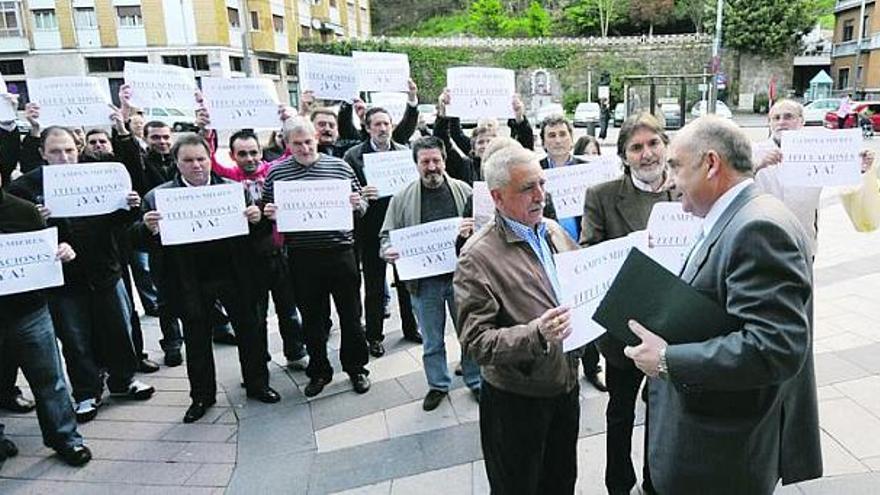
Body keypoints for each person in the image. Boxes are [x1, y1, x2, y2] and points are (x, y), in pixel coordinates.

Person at [624, 116, 822, 494]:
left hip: (720, 457)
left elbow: (775, 347)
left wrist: (668, 359)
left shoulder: (757, 227)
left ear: (712, 164)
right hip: (707, 442)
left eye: (676, 167)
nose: (670, 181)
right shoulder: (741, 214)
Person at [8, 115, 156, 424]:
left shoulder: (97, 174)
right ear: (43, 154)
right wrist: (36, 219)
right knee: (75, 339)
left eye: (69, 151)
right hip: (63, 280)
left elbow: (120, 224)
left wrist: (127, 206)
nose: (64, 158)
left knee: (118, 328)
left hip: (105, 269)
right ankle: (87, 392)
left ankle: (123, 380)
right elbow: (18, 237)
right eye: (56, 152)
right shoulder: (26, 187)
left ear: (78, 149)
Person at [455, 145, 581, 494]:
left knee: (560, 483)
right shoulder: (476, 257)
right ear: (497, 197)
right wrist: (536, 334)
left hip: (565, 386)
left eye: (541, 183)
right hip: (517, 400)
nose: (541, 195)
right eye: (528, 188)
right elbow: (475, 343)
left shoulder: (553, 231)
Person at [137, 133, 280, 423]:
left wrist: (258, 221)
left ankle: (258, 384)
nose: (197, 166)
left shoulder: (233, 190)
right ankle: (201, 396)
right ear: (177, 163)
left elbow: (257, 236)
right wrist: (146, 228)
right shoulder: (158, 197)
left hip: (234, 274)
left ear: (210, 159)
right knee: (197, 339)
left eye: (201, 159)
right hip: (190, 280)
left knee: (249, 331)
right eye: (188, 160)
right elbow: (139, 244)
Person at [580, 112, 675, 495]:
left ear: (666, 146)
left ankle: (655, 482)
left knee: (662, 412)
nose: (647, 154)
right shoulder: (602, 196)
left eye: (653, 144)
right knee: (620, 411)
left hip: (674, 326)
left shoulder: (687, 189)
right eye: (636, 147)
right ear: (624, 156)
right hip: (625, 329)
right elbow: (589, 252)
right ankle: (619, 484)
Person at [263, 117, 371, 398]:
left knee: (351, 315)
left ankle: (356, 367)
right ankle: (320, 370)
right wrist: (270, 213)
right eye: (297, 143)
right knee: (312, 319)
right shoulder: (277, 173)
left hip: (341, 252)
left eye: (308, 141)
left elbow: (362, 205)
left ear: (316, 139)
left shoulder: (339, 166)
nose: (304, 148)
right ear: (286, 144)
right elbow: (265, 207)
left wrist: (358, 204)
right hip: (302, 256)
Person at [380, 137, 481, 411]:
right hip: (424, 284)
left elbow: (484, 231)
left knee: (470, 333)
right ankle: (438, 384)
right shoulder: (402, 198)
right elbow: (385, 236)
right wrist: (387, 250)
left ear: (445, 161)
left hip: (463, 281)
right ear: (416, 164)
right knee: (432, 339)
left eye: (436, 160)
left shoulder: (464, 191)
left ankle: (475, 380)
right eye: (425, 162)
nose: (432, 166)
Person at [0, 172, 93, 467]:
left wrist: (61, 253)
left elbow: (45, 253)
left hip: (29, 312)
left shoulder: (23, 210)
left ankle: (66, 438)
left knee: (50, 380)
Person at [344, 107, 422, 358]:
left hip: (402, 227)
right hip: (371, 230)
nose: (382, 129)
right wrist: (362, 194)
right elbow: (348, 193)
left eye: (386, 124)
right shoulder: (353, 156)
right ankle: (375, 336)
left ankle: (411, 328)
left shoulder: (403, 153)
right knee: (375, 286)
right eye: (376, 124)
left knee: (406, 282)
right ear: (367, 128)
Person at [537, 115, 606, 393]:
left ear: (571, 137)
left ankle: (592, 366)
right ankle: (559, 367)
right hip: (549, 253)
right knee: (558, 313)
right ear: (543, 141)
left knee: (588, 309)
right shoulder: (536, 171)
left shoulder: (587, 170)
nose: (557, 140)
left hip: (583, 247)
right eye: (551, 135)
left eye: (561, 134)